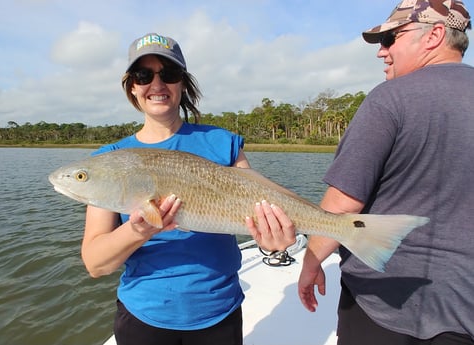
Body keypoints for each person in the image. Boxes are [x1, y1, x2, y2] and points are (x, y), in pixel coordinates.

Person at [247, 1, 474, 344]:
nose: (381, 53)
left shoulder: (390, 99)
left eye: (390, 39)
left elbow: (343, 205)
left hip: (383, 304)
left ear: (435, 35)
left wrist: (310, 263)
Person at [81, 33, 295, 345]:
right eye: (143, 75)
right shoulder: (109, 162)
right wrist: (140, 231)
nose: (156, 85)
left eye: (168, 74)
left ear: (183, 83)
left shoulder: (223, 144)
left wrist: (275, 240)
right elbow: (96, 263)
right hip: (144, 317)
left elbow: (258, 206)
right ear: (132, 87)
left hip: (219, 313)